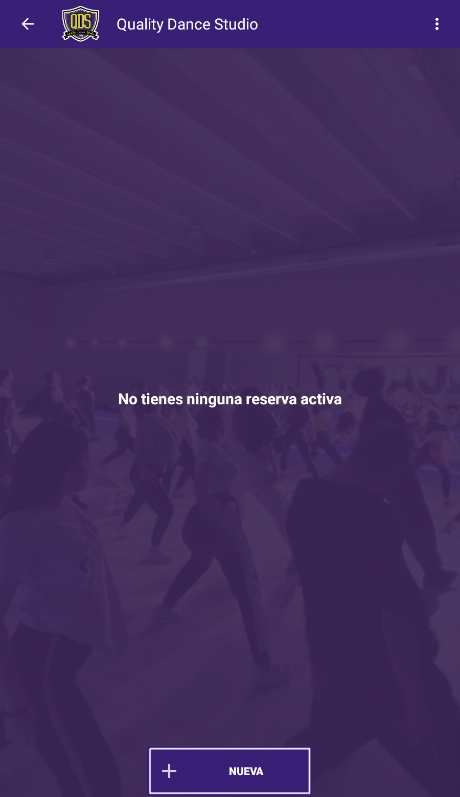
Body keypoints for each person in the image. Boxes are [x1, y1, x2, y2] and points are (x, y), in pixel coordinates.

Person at [286, 424, 459, 797]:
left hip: (334, 663)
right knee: (447, 760)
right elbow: (394, 617)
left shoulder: (304, 498)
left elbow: (318, 594)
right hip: (388, 672)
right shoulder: (375, 517)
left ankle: (185, 776)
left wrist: (319, 665)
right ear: (385, 470)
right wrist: (415, 703)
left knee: (319, 750)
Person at [0, 423, 127, 797]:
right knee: (99, 784)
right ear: (66, 470)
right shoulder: (20, 529)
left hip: (60, 662)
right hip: (45, 671)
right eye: (86, 458)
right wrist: (16, 706)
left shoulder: (65, 504)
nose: (92, 464)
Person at [150, 407, 287, 691]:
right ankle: (263, 665)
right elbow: (201, 491)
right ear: (220, 423)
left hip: (208, 520)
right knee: (248, 589)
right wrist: (224, 528)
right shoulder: (211, 451)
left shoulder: (213, 448)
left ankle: (163, 609)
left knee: (199, 564)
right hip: (219, 519)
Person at [353, 368, 454, 590]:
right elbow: (401, 438)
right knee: (416, 520)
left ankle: (430, 571)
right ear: (380, 383)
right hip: (397, 472)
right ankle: (433, 572)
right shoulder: (382, 408)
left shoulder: (371, 409)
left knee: (408, 521)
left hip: (383, 473)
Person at [117, 404, 177, 564]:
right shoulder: (151, 421)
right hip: (147, 471)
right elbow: (138, 447)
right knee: (167, 510)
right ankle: (154, 548)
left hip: (151, 470)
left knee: (139, 496)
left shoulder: (156, 421)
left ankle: (125, 523)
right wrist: (144, 470)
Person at [231, 389, 290, 547]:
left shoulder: (243, 416)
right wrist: (275, 469)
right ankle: (297, 551)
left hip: (244, 462)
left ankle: (228, 537)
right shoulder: (264, 417)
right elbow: (267, 444)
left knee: (239, 504)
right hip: (258, 465)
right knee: (282, 509)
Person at [413, 409, 458, 505]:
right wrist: (456, 449)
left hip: (423, 450)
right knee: (446, 473)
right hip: (432, 450)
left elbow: (426, 438)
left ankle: (395, 485)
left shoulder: (429, 425)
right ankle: (446, 500)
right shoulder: (442, 425)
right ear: (439, 415)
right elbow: (450, 440)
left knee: (410, 469)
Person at [280, 398, 318, 479]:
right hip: (300, 434)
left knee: (284, 454)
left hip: (289, 433)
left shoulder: (290, 410)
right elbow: (310, 422)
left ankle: (282, 472)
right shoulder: (304, 410)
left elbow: (286, 423)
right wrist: (313, 434)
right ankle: (316, 475)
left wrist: (281, 430)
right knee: (307, 456)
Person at [75, 375, 99, 441]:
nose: (90, 382)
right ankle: (91, 435)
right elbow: (79, 400)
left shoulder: (84, 390)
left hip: (88, 408)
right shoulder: (82, 390)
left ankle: (90, 434)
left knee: (90, 421)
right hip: (86, 408)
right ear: (86, 382)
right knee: (91, 421)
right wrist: (76, 409)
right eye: (89, 381)